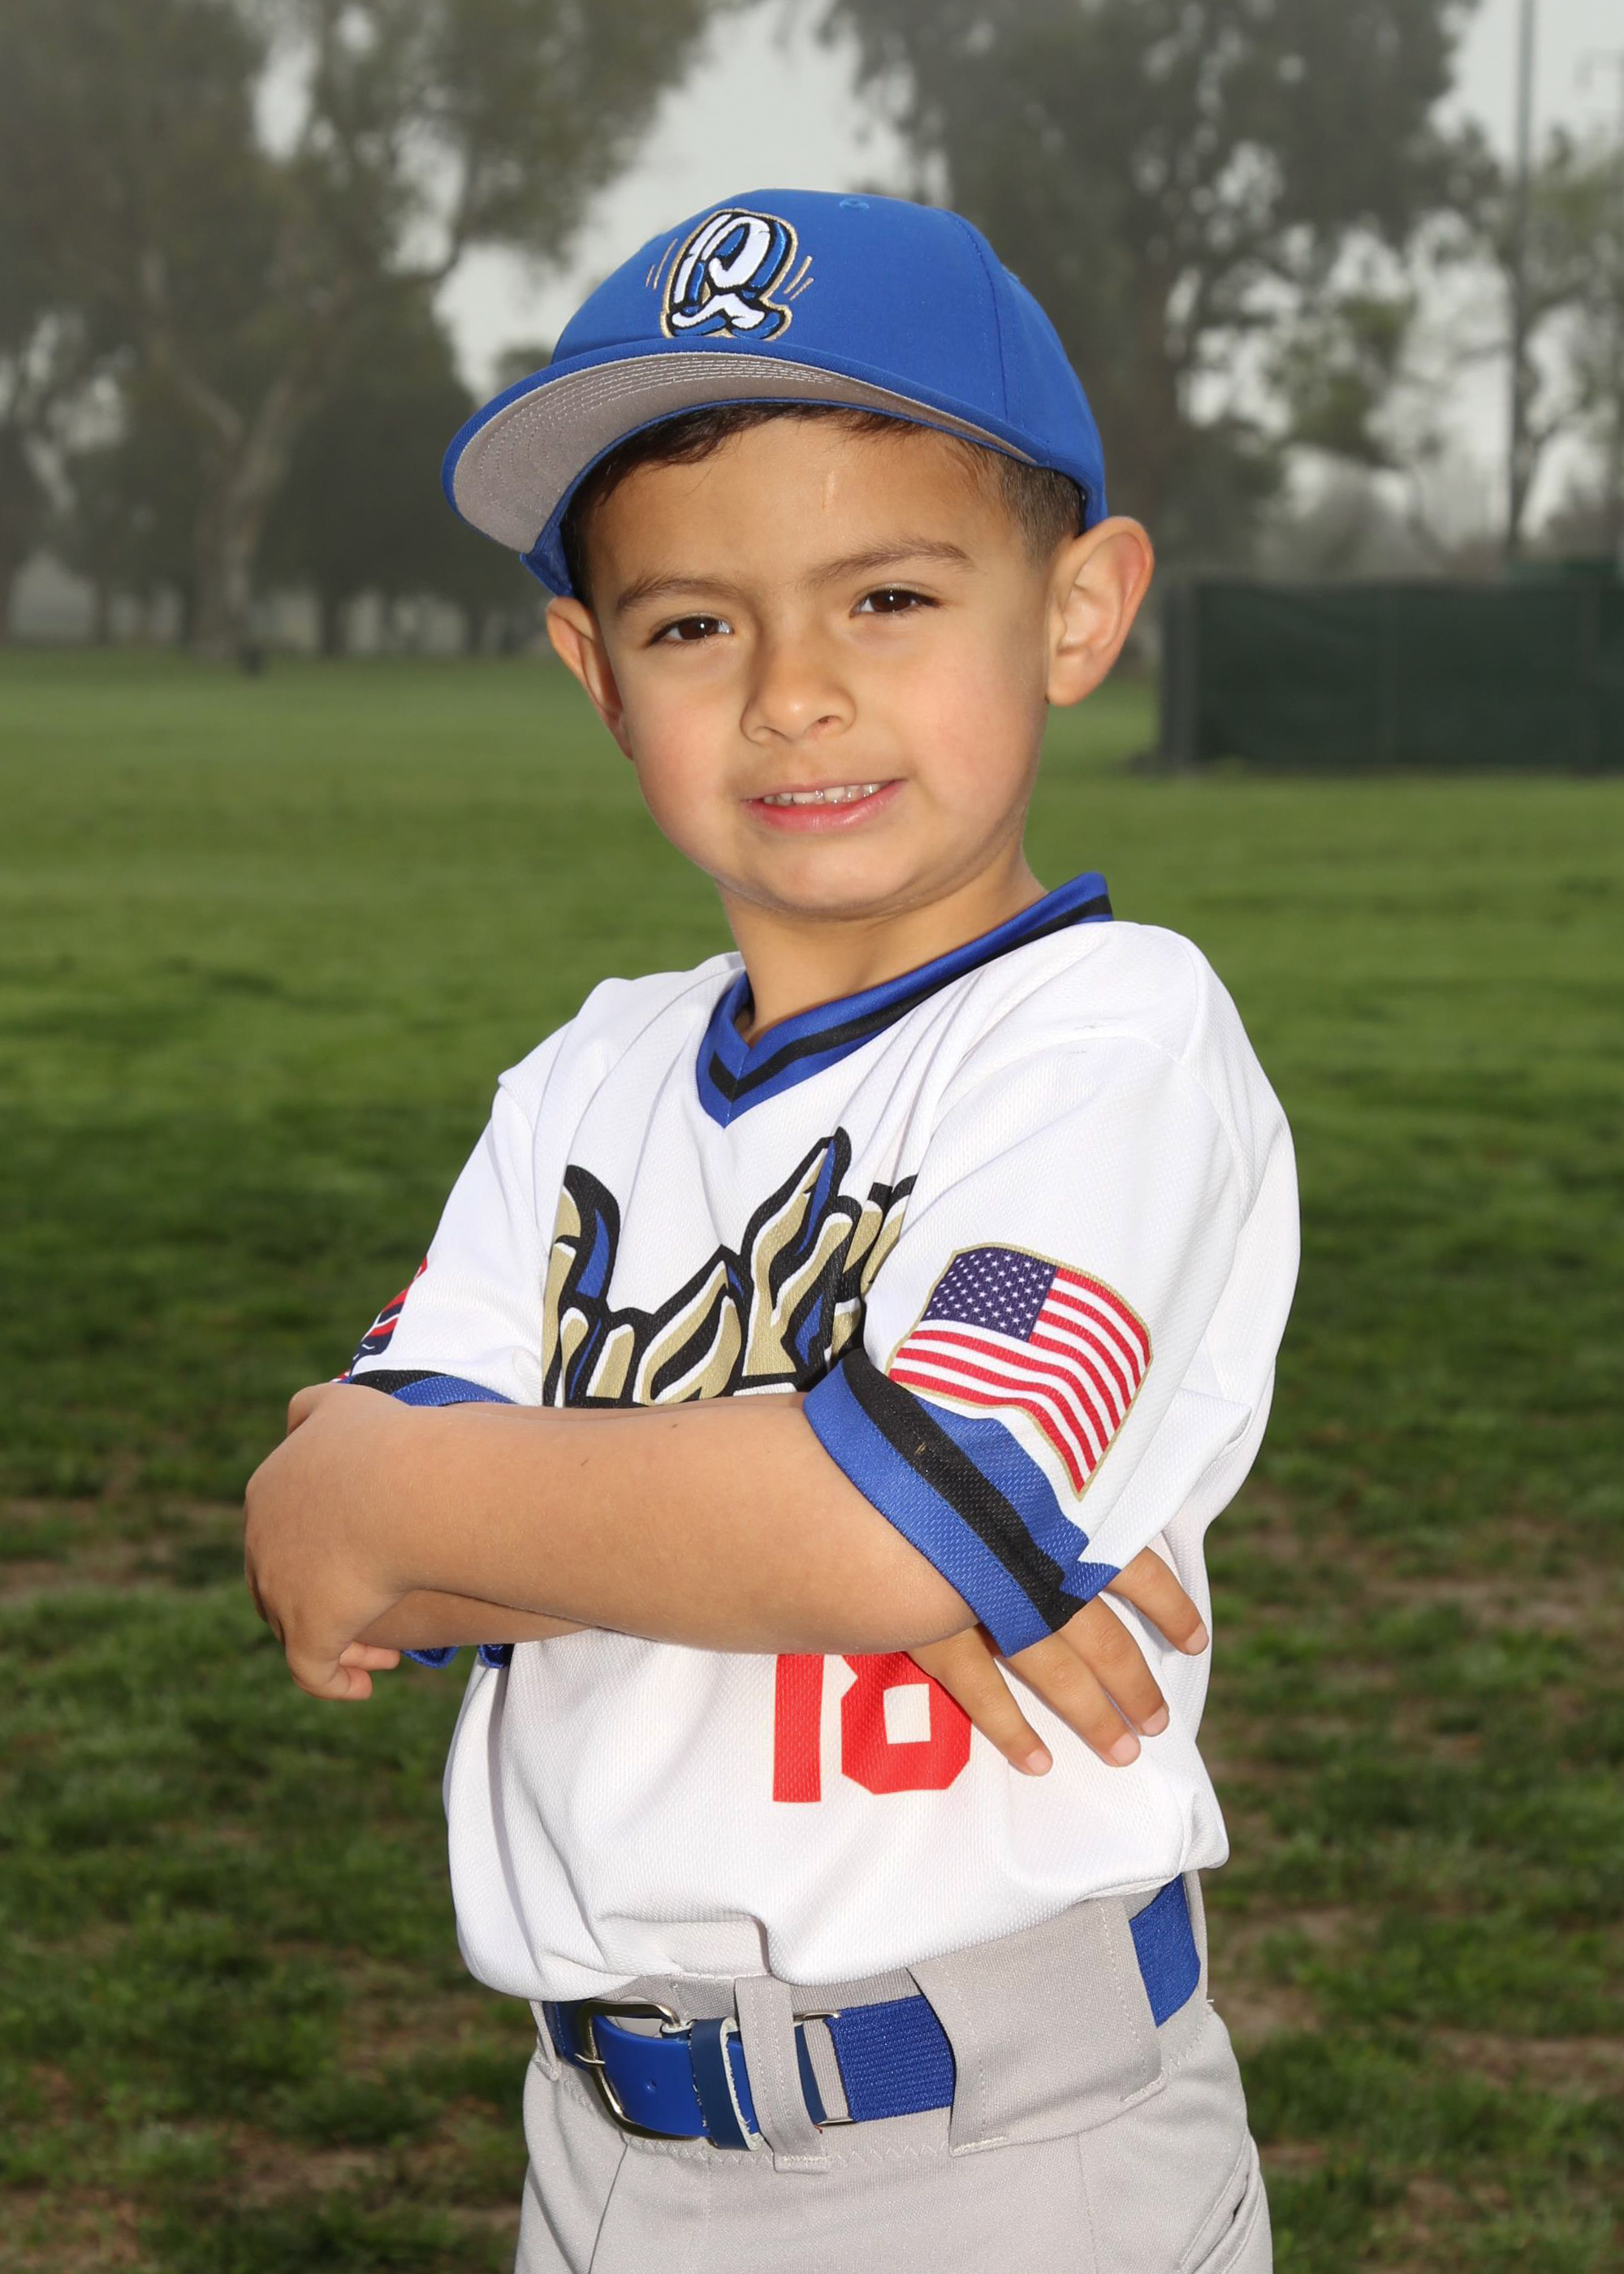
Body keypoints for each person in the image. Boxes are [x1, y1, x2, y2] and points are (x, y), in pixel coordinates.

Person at [244, 190, 1298, 2273]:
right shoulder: (586, 1077)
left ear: (1078, 610)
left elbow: (880, 1521)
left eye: (888, 595)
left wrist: (833, 1530)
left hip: (1009, 2157)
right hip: (601, 2145)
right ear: (593, 669)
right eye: (692, 625)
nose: (794, 693)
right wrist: (814, 1516)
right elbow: (336, 1564)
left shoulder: (1110, 1034)